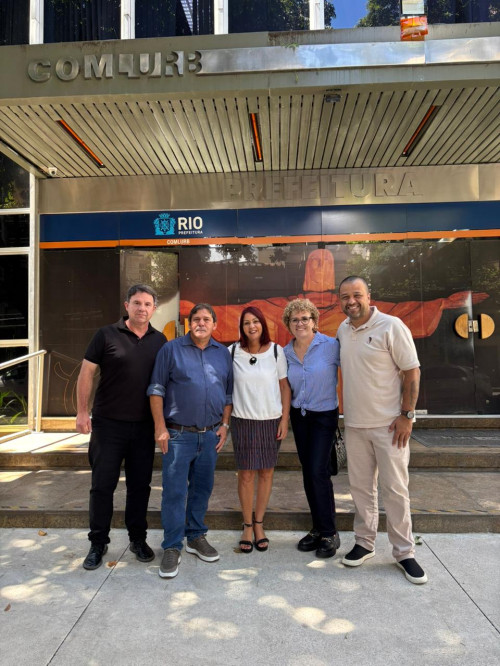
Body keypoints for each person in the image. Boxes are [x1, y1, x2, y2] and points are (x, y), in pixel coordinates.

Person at [180, 248, 488, 346]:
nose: (319, 268)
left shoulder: (352, 311)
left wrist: (441, 304)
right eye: (314, 263)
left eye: (325, 264)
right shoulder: (285, 308)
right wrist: (195, 311)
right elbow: (246, 313)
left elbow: (400, 311)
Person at [337, 276, 427, 584]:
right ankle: (364, 543)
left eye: (356, 295)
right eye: (345, 296)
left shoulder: (391, 326)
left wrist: (407, 415)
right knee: (361, 489)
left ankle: (404, 552)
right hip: (354, 425)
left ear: (368, 296)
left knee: (395, 490)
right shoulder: (342, 329)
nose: (351, 301)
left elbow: (412, 371)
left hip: (390, 426)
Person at [76, 284, 166, 570]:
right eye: (137, 303)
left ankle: (137, 539)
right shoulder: (105, 335)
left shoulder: (160, 340)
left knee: (140, 487)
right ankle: (97, 543)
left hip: (143, 428)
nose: (142, 308)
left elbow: (166, 382)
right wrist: (82, 412)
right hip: (108, 426)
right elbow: (86, 373)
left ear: (154, 309)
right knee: (102, 486)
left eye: (147, 304)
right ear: (127, 305)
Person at [148, 303, 233, 579]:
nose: (201, 323)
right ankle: (172, 546)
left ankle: (195, 536)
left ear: (214, 324)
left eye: (206, 319)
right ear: (189, 323)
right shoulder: (170, 350)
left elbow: (228, 394)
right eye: (196, 319)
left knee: (202, 489)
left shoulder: (223, 354)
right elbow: (156, 389)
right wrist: (160, 428)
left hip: (210, 435)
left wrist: (225, 425)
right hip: (177, 435)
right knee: (174, 493)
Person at [229, 306, 291, 553]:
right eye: (246, 323)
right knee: (245, 475)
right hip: (242, 420)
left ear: (263, 324)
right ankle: (246, 525)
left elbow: (284, 387)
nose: (251, 326)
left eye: (255, 321)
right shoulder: (232, 352)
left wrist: (284, 419)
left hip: (270, 420)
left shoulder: (276, 351)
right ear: (241, 327)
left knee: (266, 473)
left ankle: (259, 524)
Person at [282, 298, 341, 558]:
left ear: (314, 321)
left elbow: (355, 370)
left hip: (324, 416)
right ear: (288, 324)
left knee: (318, 471)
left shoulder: (330, 346)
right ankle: (318, 528)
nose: (300, 323)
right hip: (300, 417)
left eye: (305, 318)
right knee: (309, 472)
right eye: (294, 319)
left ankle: (329, 532)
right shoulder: (286, 352)